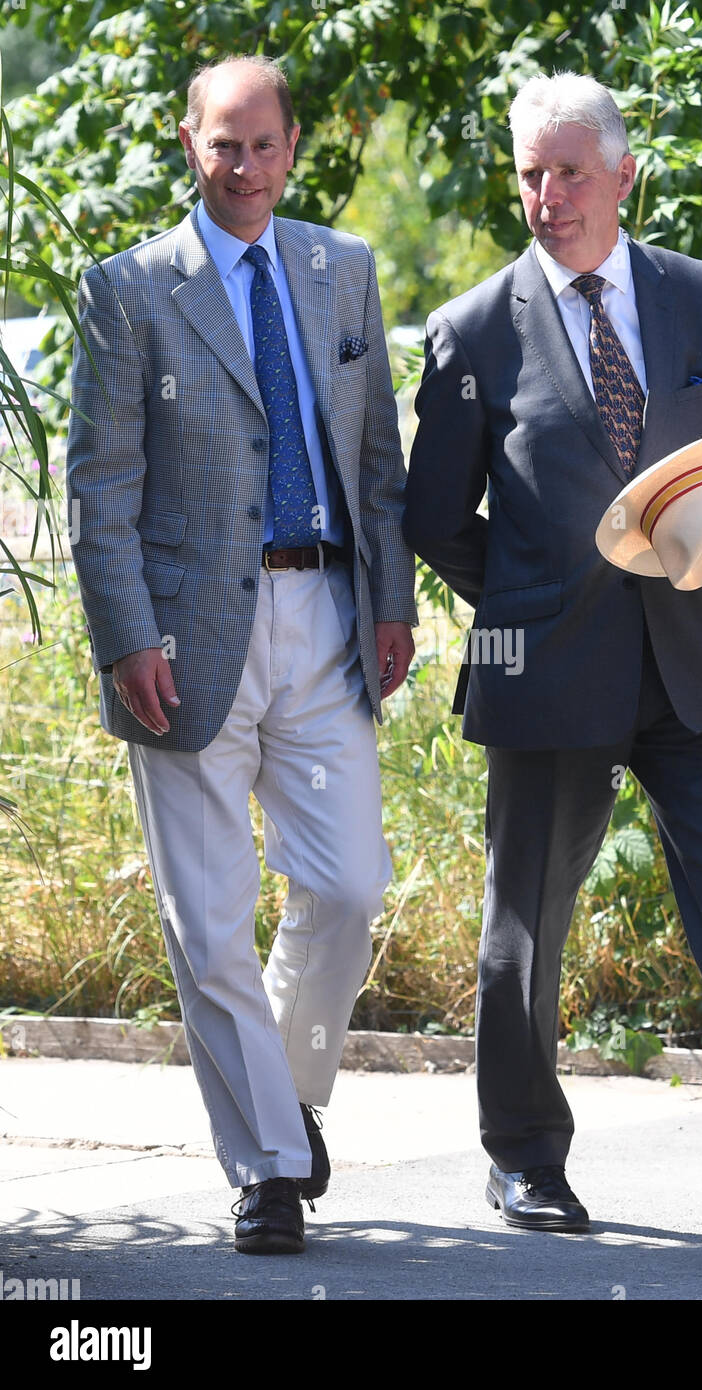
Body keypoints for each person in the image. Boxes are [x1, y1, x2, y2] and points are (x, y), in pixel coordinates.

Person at [404, 71, 702, 1244]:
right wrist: (528, 596)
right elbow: (430, 517)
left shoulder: (701, 298)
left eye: (569, 171)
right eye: (529, 173)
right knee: (527, 928)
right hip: (547, 672)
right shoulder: (470, 330)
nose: (547, 195)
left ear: (625, 175)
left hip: (697, 663)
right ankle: (523, 1160)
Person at [66, 55, 416, 1255]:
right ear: (187, 144)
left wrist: (393, 601)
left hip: (324, 621)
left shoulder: (342, 269)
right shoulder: (128, 292)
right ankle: (268, 1167)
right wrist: (123, 638)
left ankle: (288, 1096)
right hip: (182, 639)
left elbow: (377, 461)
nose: (247, 167)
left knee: (350, 882)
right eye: (224, 146)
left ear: (293, 142)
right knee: (207, 921)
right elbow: (100, 484)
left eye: (265, 145)